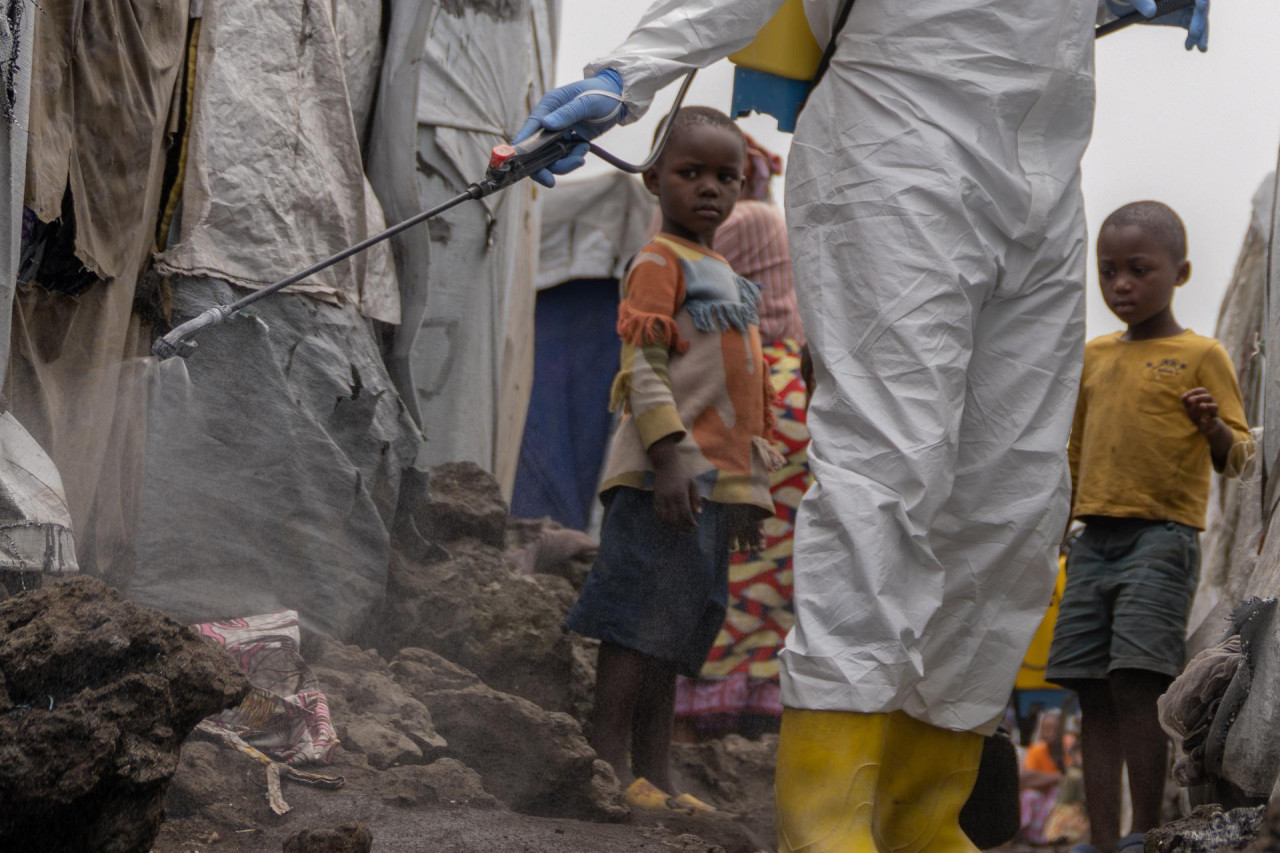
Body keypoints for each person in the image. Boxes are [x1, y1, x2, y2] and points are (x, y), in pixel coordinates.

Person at [519, 0, 1210, 847]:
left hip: (1046, 167)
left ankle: (924, 806)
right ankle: (826, 812)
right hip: (900, 136)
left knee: (1014, 501)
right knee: (890, 467)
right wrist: (624, 75)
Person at [563, 106, 776, 814]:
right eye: (691, 173)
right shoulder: (658, 261)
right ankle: (605, 763)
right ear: (654, 179)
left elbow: (741, 391)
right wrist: (669, 456)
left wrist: (747, 489)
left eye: (727, 176)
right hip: (666, 480)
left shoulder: (725, 271)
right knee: (635, 625)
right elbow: (644, 365)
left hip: (712, 491)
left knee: (678, 629)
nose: (710, 189)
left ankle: (655, 769)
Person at [1046, 201, 1253, 853]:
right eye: (1108, 272)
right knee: (1088, 686)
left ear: (1180, 271)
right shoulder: (1093, 357)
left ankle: (1144, 834)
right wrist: (1059, 522)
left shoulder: (1200, 354)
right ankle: (1102, 839)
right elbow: (1074, 451)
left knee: (1136, 679)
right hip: (1091, 541)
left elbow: (1243, 455)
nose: (1121, 286)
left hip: (1159, 539)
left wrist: (1213, 427)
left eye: (1139, 269)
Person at [674, 135, 808, 739]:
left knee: (730, 551)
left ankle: (709, 699)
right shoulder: (781, 222)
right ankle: (762, 700)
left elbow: (685, 288)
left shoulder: (744, 222)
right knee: (777, 565)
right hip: (796, 397)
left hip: (752, 387)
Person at [1020, 709, 1073, 843]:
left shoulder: (1069, 746)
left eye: (1053, 728)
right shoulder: (1037, 749)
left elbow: (1072, 775)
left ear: (1061, 730)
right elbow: (1025, 779)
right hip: (1041, 793)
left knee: (1055, 795)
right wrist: (1056, 778)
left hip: (1065, 797)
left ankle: (1051, 836)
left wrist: (1041, 778)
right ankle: (1029, 836)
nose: (1048, 732)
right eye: (1045, 728)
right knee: (1028, 796)